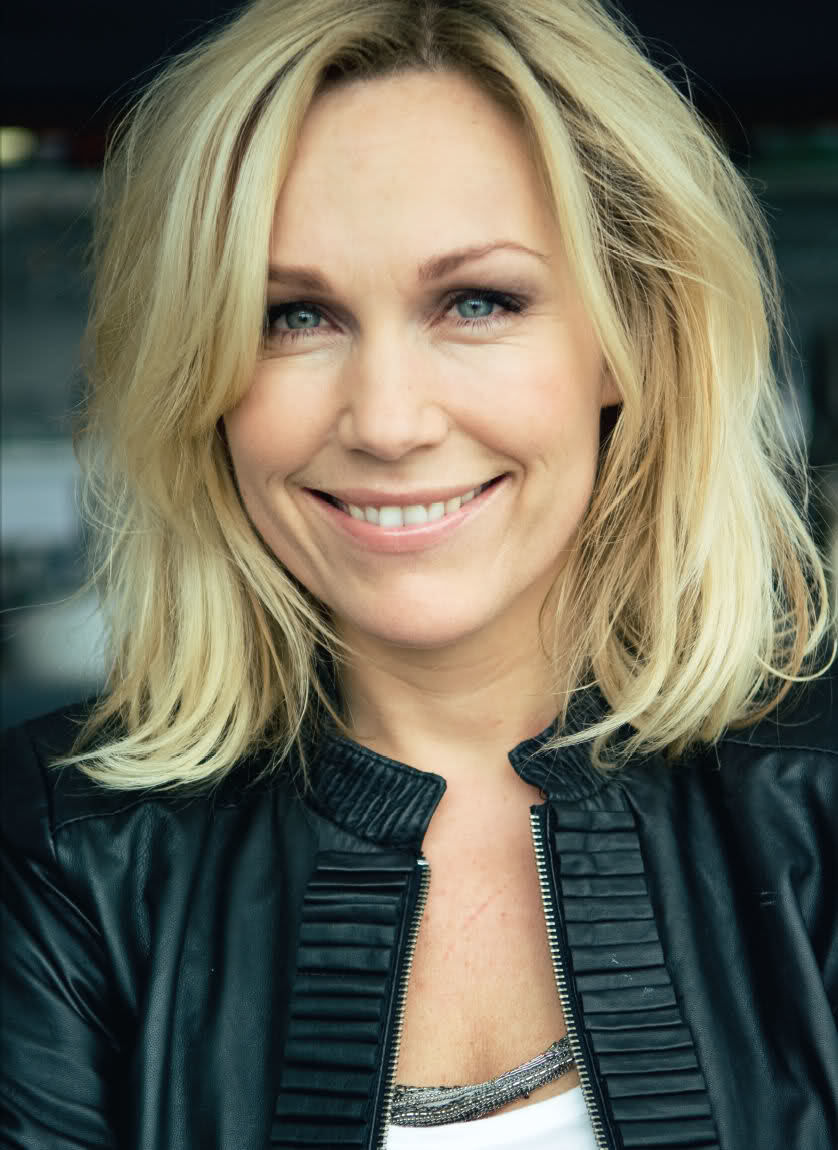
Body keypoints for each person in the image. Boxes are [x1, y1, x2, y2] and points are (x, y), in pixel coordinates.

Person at [2, 0, 836, 1147]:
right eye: (293, 316)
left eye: (477, 302)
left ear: (628, 337)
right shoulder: (57, 848)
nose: (388, 421)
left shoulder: (816, 802)